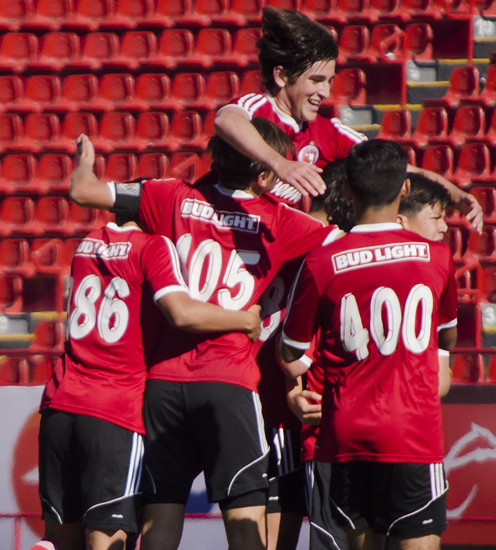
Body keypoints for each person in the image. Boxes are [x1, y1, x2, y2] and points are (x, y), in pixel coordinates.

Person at [67, 118, 339, 550]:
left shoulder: (170, 196)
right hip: (228, 383)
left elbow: (84, 192)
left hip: (163, 387)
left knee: (159, 530)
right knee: (247, 532)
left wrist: (84, 164)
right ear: (265, 173)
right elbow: (342, 250)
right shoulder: (281, 221)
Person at [35, 207, 263, 550]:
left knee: (59, 539)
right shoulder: (153, 245)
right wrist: (244, 320)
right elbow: (179, 311)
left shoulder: (87, 244)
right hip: (113, 409)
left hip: (59, 399)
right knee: (108, 538)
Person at [279, 140, 457, 550]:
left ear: (345, 191)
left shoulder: (323, 261)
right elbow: (445, 336)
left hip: (346, 438)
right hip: (414, 435)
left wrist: (299, 392)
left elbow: (291, 349)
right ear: (405, 190)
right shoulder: (439, 257)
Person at [213, 7, 483, 233]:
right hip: (218, 233)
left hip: (269, 251)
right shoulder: (258, 108)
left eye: (329, 81)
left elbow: (390, 167)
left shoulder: (327, 133)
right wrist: (280, 164)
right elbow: (226, 120)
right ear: (282, 76)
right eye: (316, 81)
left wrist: (459, 198)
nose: (325, 92)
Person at [253, 163, 353, 550]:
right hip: (283, 408)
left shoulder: (277, 228)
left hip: (258, 393)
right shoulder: (328, 245)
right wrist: (294, 385)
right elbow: (296, 333)